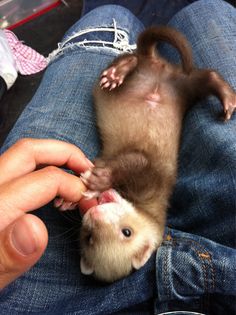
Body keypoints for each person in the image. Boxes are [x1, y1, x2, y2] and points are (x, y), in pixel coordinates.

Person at [0, 0, 235, 314]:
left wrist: (91, 183)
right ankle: (206, 78)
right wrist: (107, 178)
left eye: (90, 236)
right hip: (164, 97)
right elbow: (138, 163)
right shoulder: (150, 200)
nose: (98, 219)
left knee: (115, 25)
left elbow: (96, 179)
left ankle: (123, 47)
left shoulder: (114, 209)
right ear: (145, 249)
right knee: (206, 16)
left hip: (140, 90)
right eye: (125, 233)